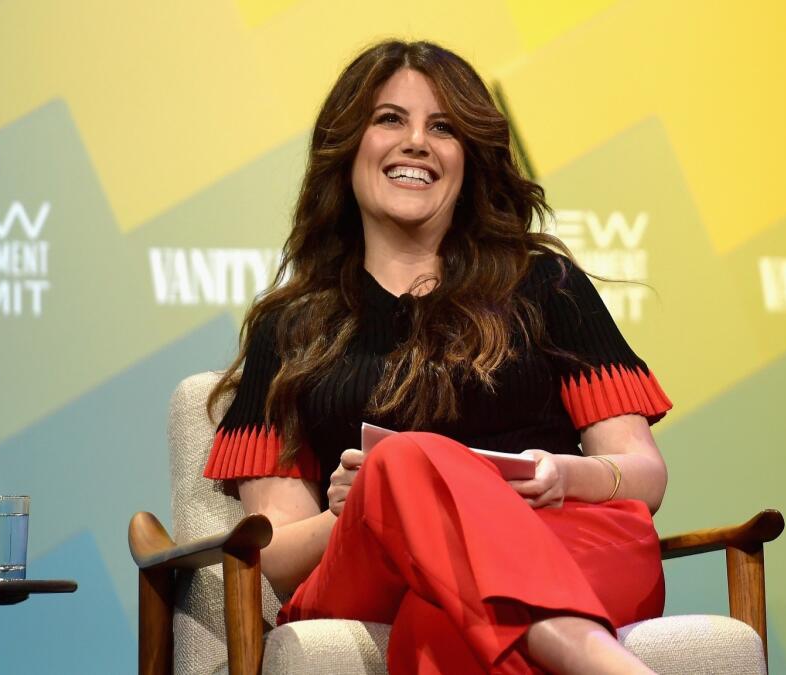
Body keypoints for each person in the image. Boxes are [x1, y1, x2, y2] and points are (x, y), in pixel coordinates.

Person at [203, 40, 672, 675]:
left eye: (443, 127)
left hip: (562, 539)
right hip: (372, 567)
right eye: (390, 118)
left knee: (440, 623)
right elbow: (279, 557)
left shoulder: (544, 284)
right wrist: (370, 503)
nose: (417, 142)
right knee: (401, 459)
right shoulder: (291, 329)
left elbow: (644, 476)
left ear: (469, 160)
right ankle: (592, 655)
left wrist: (565, 474)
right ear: (347, 148)